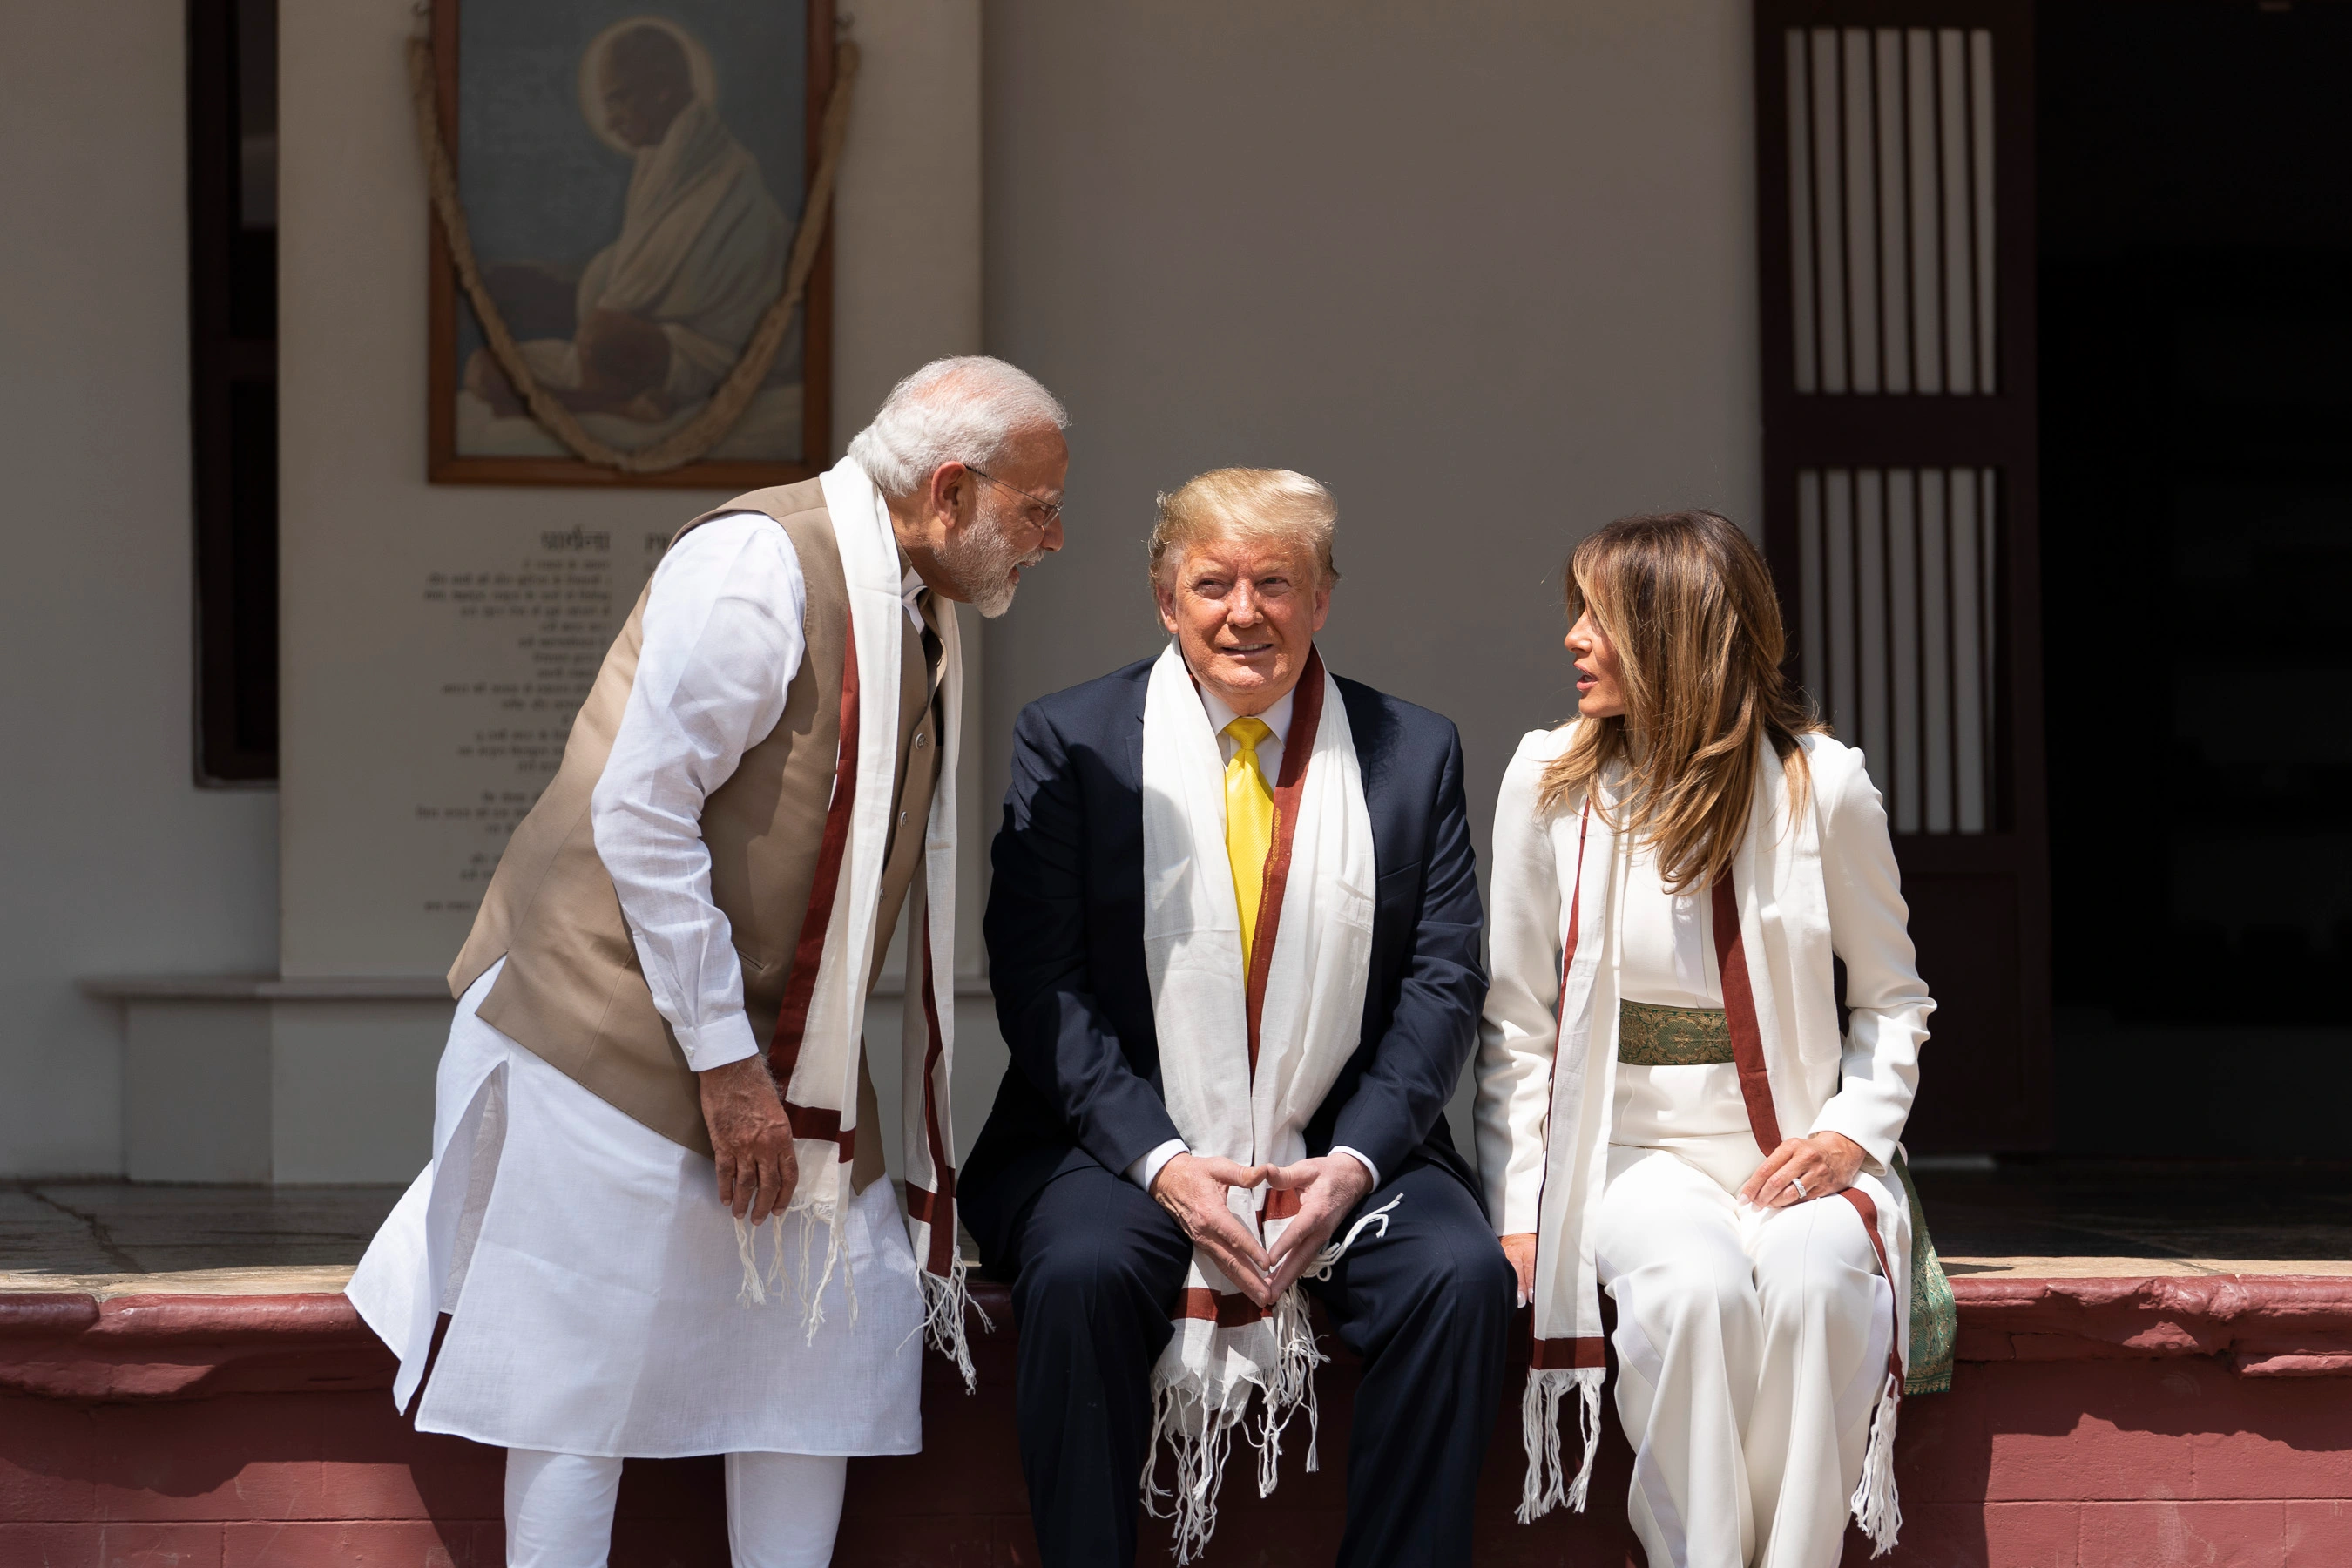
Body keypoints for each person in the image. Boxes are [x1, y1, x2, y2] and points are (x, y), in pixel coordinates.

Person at [347, 356, 1071, 1568]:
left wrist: (757, 1071)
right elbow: (643, 812)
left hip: (795, 1061)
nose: (1051, 537)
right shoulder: (761, 566)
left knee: (814, 1367)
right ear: (950, 491)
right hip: (614, 1040)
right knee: (581, 1393)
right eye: (1036, 507)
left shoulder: (908, 599)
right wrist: (729, 1068)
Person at [963, 468, 1512, 1567]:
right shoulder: (1069, 743)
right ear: (1167, 601)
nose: (1245, 611)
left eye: (1277, 582)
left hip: (1344, 1141)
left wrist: (1353, 1163)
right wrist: (1165, 1163)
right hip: (1116, 1141)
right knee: (1078, 1272)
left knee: (1460, 1278)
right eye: (1213, 583)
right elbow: (1039, 984)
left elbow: (1444, 984)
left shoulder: (1413, 753)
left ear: (1322, 600)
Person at [1477, 511, 1935, 1566]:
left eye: (1599, 618)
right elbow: (1517, 1022)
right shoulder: (1549, 782)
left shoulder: (1824, 786)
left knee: (1824, 1285)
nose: (1573, 641)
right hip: (1631, 1152)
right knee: (1693, 1293)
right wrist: (1521, 1202)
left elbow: (1894, 998)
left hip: (1795, 1151)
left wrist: (1853, 1137)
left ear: (1675, 633)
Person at [467, 22, 793, 423]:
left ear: (662, 88)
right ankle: (619, 407)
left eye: (619, 100)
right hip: (630, 354)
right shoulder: (657, 160)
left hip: (704, 352)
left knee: (604, 339)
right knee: (482, 369)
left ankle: (586, 400)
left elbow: (629, 303)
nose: (610, 122)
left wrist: (601, 324)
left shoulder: (723, 172)